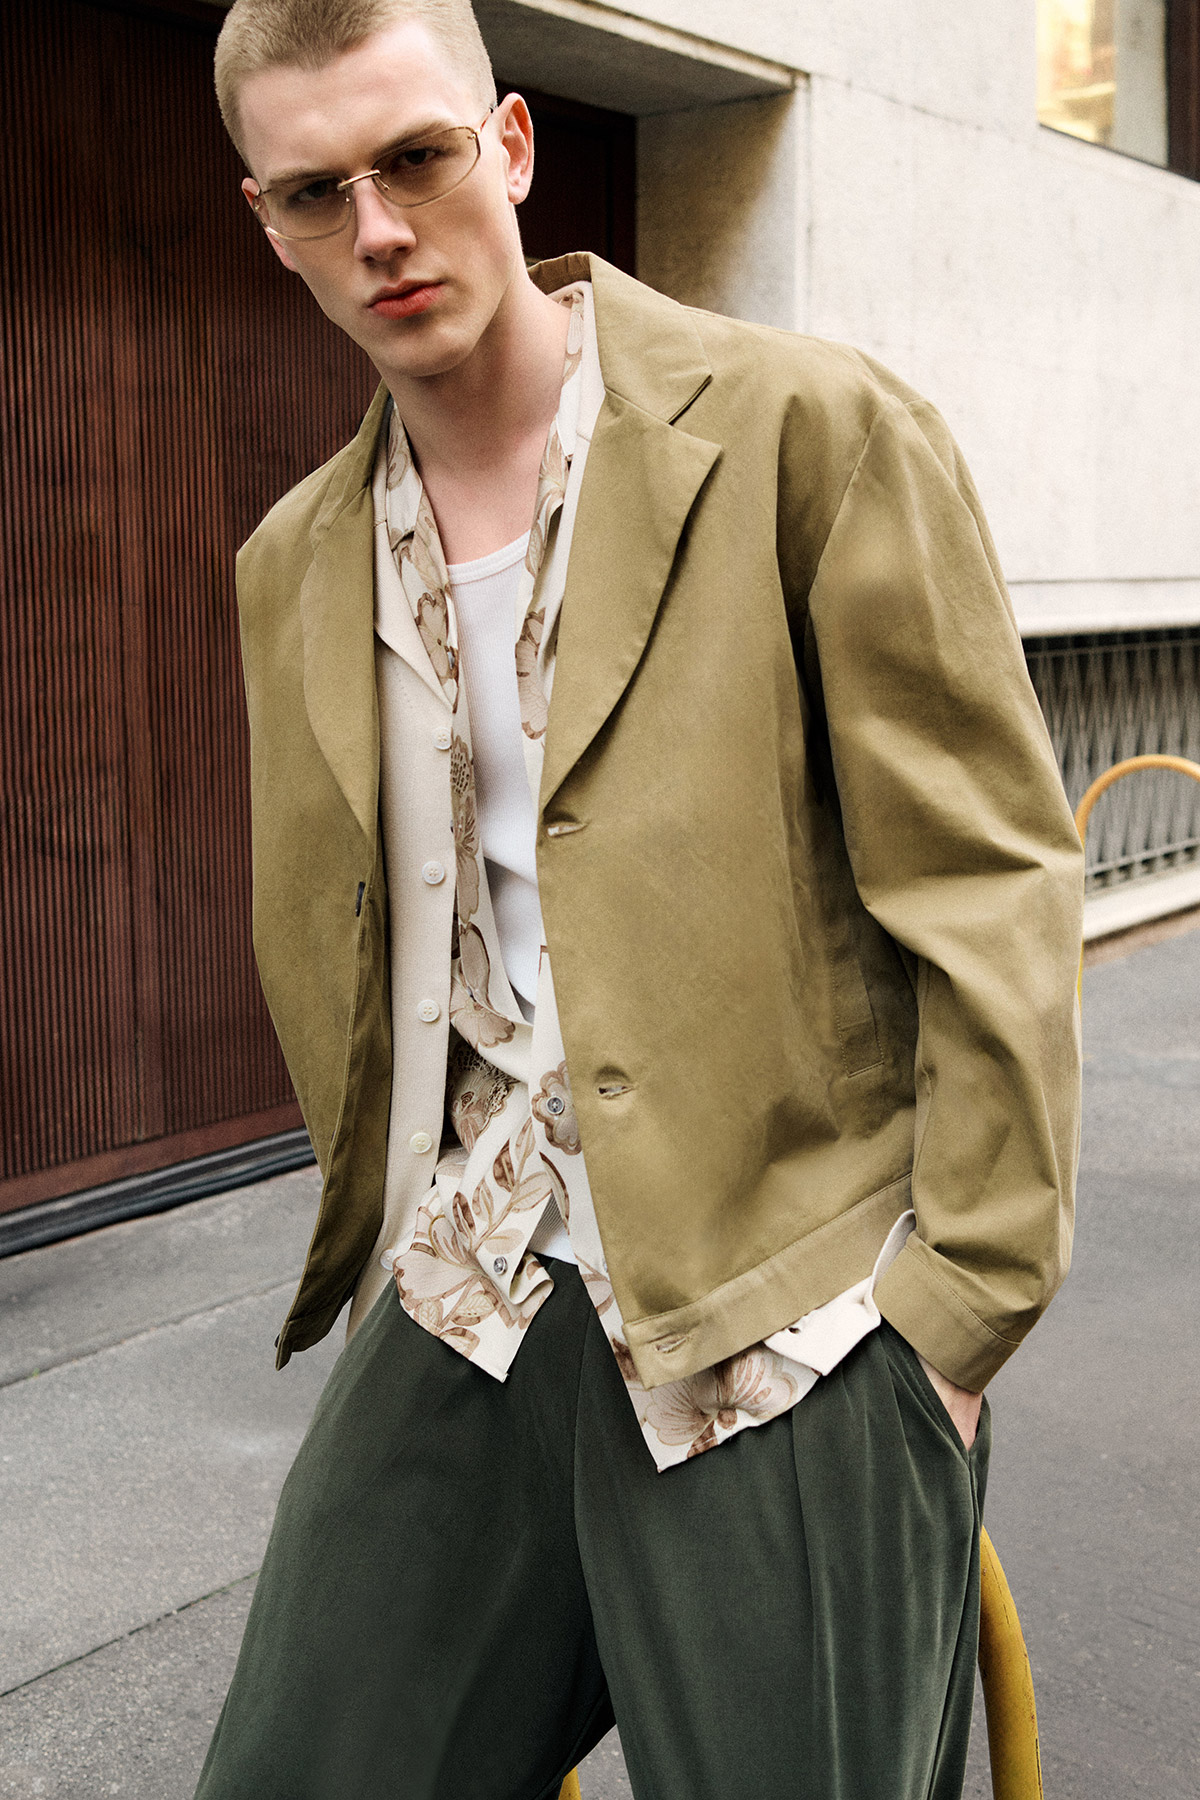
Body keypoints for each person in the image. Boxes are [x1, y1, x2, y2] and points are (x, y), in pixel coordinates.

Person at [197, 2, 1083, 1795]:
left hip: (792, 1304)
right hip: (472, 1285)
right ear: (268, 220)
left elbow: (990, 872)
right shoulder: (294, 561)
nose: (376, 228)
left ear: (510, 147)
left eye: (417, 159)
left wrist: (954, 1325)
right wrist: (383, 1229)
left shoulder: (798, 433)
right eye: (315, 193)